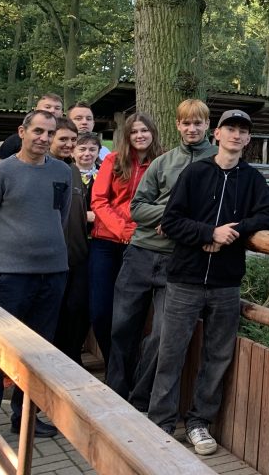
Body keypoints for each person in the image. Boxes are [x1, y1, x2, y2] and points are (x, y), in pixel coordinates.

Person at [147, 109, 269, 455]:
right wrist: (208, 233)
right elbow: (171, 221)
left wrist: (232, 233)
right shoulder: (195, 173)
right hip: (185, 279)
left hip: (225, 283)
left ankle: (198, 422)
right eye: (230, 128)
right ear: (216, 134)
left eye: (242, 131)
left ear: (248, 140)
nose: (236, 135)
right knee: (170, 353)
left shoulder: (251, 179)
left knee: (217, 356)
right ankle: (161, 423)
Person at [106, 100, 216, 411]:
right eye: (186, 123)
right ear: (178, 125)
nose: (192, 129)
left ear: (208, 125)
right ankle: (114, 394)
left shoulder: (218, 163)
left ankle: (140, 399)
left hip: (178, 261)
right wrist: (172, 216)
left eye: (198, 123)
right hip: (141, 253)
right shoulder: (163, 162)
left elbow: (217, 212)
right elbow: (137, 208)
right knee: (122, 327)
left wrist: (177, 225)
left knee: (162, 336)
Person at [0, 109, 69, 437]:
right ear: (22, 132)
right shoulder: (2, 173)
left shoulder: (62, 172)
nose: (44, 138)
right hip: (9, 277)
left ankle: (25, 419)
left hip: (53, 273)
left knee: (39, 352)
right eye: (38, 131)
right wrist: (2, 258)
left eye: (49, 133)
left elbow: (60, 216)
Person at [89, 112, 162, 363]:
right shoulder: (113, 160)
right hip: (106, 242)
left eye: (144, 130)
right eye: (134, 131)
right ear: (127, 135)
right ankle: (114, 364)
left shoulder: (161, 162)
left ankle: (123, 371)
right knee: (101, 311)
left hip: (142, 244)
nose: (139, 135)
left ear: (153, 133)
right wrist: (122, 229)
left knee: (131, 314)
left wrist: (139, 231)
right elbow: (99, 201)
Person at [49, 119, 91, 364]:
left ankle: (73, 362)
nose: (69, 144)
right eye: (63, 139)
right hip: (50, 259)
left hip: (77, 256)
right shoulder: (43, 168)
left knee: (77, 311)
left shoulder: (73, 171)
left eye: (73, 140)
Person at [0, 93, 63, 160]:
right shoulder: (15, 140)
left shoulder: (68, 142)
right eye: (47, 107)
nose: (52, 110)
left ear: (62, 113)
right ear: (36, 110)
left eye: (57, 108)